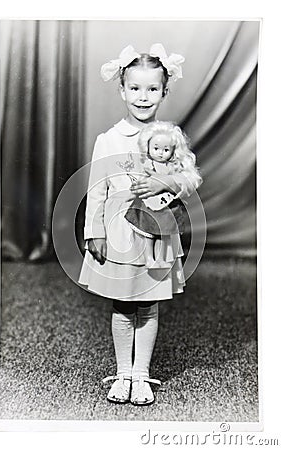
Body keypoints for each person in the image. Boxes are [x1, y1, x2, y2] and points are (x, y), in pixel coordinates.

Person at [78, 44, 202, 405]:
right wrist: (94, 230)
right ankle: (123, 373)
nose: (143, 97)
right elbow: (96, 189)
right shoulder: (109, 139)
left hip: (156, 234)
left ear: (165, 91)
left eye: (152, 89)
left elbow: (189, 180)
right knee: (123, 303)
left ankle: (141, 375)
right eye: (135, 88)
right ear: (122, 90)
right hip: (120, 231)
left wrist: (167, 183)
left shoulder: (169, 137)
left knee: (148, 304)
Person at [124, 120, 195, 269]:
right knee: (148, 233)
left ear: (173, 150)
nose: (160, 153)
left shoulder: (172, 166)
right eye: (156, 148)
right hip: (150, 204)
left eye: (166, 149)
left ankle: (161, 259)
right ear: (148, 148)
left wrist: (169, 182)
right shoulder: (148, 165)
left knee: (164, 234)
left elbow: (184, 181)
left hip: (166, 205)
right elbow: (140, 180)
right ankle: (149, 258)